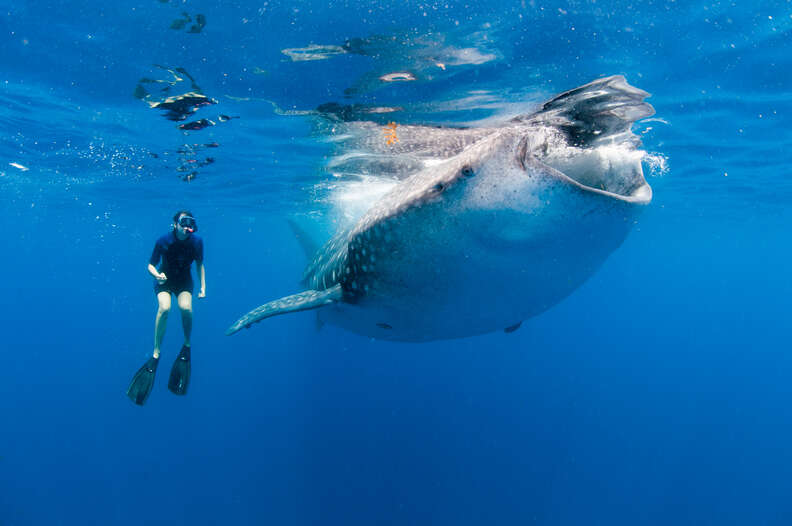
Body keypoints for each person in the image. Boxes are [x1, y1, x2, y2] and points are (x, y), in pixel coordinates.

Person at [127, 210, 206, 405]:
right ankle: (156, 352)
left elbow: (199, 265)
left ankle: (186, 345)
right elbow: (151, 265)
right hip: (164, 280)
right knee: (165, 308)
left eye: (191, 223)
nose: (188, 227)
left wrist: (203, 286)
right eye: (184, 222)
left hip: (184, 281)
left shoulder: (196, 242)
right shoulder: (164, 240)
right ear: (175, 224)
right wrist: (156, 275)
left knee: (186, 308)